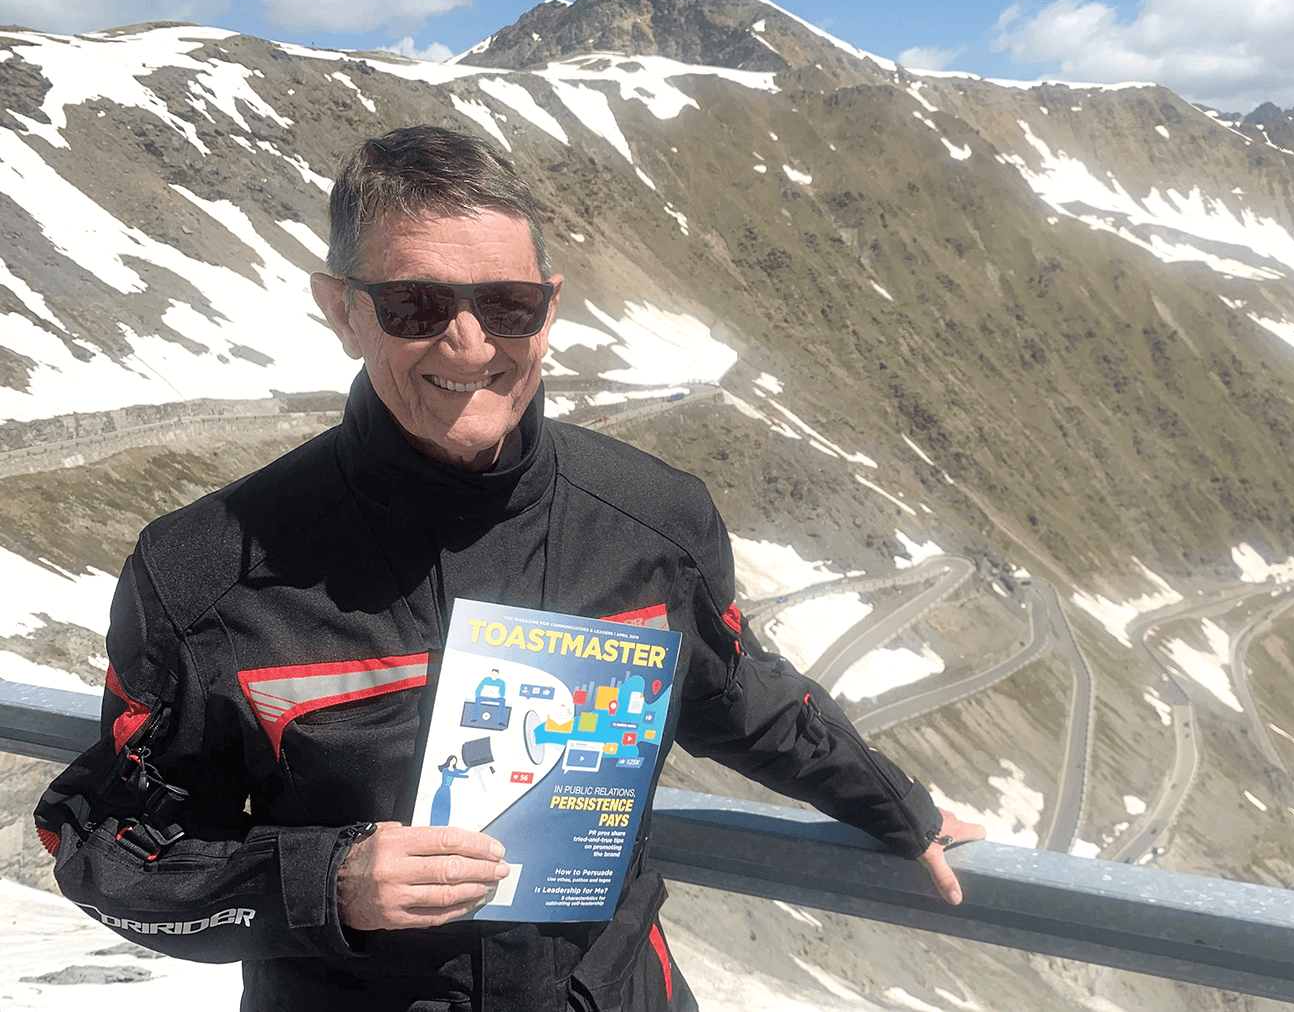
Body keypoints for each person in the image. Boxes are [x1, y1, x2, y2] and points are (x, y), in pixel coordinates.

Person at [34, 125, 984, 1012]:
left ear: (550, 308)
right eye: (416, 305)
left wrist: (897, 806)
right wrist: (330, 881)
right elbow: (103, 845)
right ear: (343, 310)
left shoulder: (653, 520)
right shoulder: (203, 573)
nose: (470, 344)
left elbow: (738, 692)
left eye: (508, 305)